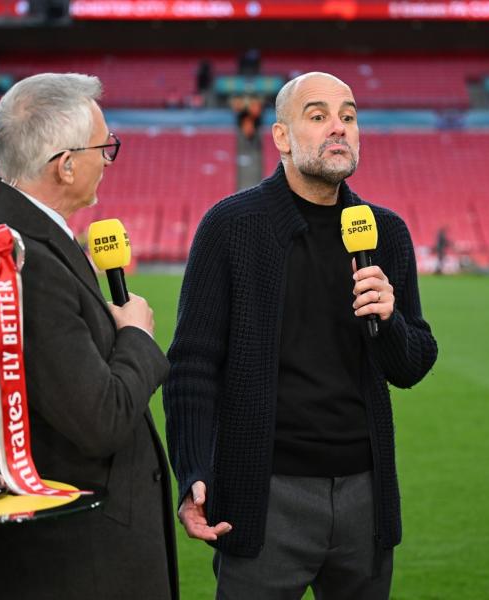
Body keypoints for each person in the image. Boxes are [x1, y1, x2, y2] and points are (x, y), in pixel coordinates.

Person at [164, 72, 437, 599]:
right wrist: (192, 469)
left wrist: (389, 319)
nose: (339, 128)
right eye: (318, 116)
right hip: (264, 496)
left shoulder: (386, 231)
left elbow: (414, 364)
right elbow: (192, 364)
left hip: (364, 497)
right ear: (282, 138)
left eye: (349, 116)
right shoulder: (230, 225)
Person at [0, 73, 177, 600]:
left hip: (69, 545)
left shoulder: (19, 238)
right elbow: (99, 420)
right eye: (105, 147)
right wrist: (137, 339)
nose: (108, 159)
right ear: (66, 164)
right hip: (71, 559)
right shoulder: (20, 261)